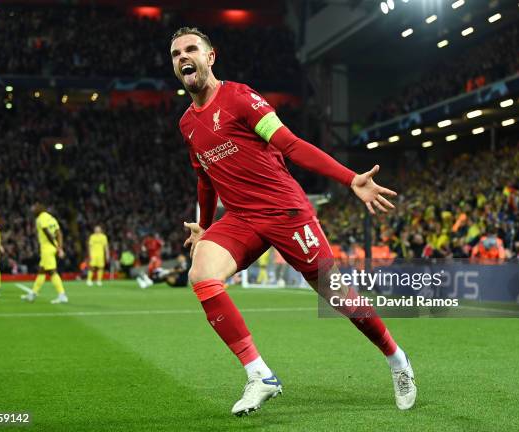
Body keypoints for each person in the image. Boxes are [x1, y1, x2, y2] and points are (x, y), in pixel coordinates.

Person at [171, 27, 416, 416]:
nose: (183, 57)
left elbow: (289, 144)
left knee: (340, 298)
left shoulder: (241, 98)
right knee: (201, 274)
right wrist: (203, 225)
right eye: (175, 53)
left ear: (210, 57)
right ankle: (260, 375)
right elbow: (204, 177)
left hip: (285, 211)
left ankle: (397, 358)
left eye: (191, 49)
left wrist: (350, 178)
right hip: (242, 218)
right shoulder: (187, 123)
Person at [21, 204, 68, 304]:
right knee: (42, 271)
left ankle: (62, 295)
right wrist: (59, 246)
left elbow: (47, 232)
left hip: (47, 248)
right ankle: (33, 294)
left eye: (33, 210)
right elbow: (59, 233)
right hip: (52, 247)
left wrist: (58, 248)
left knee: (52, 271)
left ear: (38, 210)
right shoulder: (51, 218)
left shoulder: (40, 219)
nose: (32, 212)